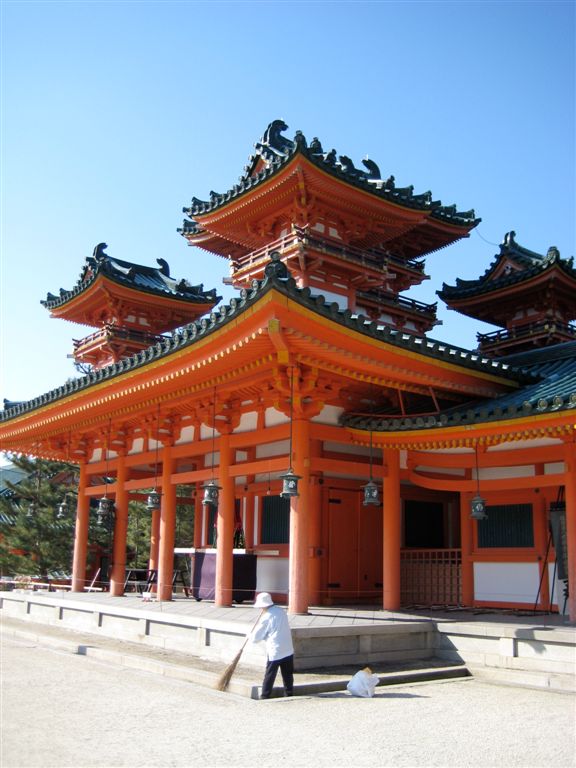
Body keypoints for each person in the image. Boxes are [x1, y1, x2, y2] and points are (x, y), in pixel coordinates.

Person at [249, 592, 294, 699]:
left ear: (263, 605)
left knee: (270, 673)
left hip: (275, 648)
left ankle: (265, 695)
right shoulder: (281, 611)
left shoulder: (267, 616)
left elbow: (257, 637)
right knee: (287, 674)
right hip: (287, 647)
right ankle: (289, 693)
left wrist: (250, 635)